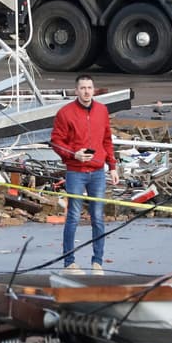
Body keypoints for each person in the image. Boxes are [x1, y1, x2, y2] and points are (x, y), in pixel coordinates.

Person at [50, 74, 119, 273]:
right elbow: (56, 141)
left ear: (93, 89)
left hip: (97, 172)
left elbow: (107, 140)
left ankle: (98, 262)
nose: (87, 91)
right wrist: (74, 154)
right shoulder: (65, 113)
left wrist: (112, 166)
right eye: (83, 88)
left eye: (89, 87)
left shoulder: (102, 110)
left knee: (98, 217)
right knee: (73, 216)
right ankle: (69, 262)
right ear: (76, 90)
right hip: (76, 172)